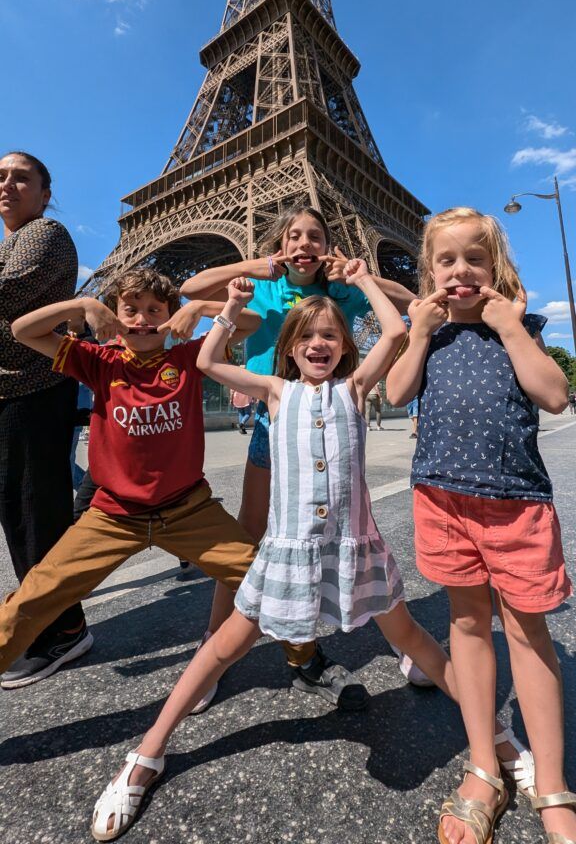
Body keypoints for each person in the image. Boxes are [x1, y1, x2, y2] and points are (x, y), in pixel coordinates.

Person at [91, 265, 535, 842]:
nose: (319, 344)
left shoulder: (356, 387)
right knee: (223, 645)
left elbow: (396, 333)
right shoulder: (276, 392)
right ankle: (146, 753)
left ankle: (495, 738)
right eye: (306, 338)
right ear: (289, 350)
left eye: (330, 335)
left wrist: (366, 279)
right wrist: (227, 307)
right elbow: (205, 363)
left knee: (415, 641)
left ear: (346, 347)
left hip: (355, 551)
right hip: (288, 556)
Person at [180, 204, 423, 703]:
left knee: (358, 531)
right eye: (294, 236)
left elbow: (410, 303)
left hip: (332, 423)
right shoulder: (265, 288)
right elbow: (190, 287)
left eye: (315, 236)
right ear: (280, 243)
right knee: (249, 533)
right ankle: (215, 638)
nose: (304, 244)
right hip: (276, 425)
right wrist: (251, 266)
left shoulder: (338, 291)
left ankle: (405, 638)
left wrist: (359, 274)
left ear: (327, 244)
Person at [386, 206, 575, 844]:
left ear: (496, 268)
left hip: (516, 503)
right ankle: (483, 765)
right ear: (430, 271)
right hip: (443, 502)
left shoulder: (519, 326)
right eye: (447, 260)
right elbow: (395, 394)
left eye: (475, 258)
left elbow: (554, 396)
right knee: (466, 625)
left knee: (528, 636)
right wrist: (415, 332)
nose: (461, 271)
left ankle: (550, 781)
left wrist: (514, 329)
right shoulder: (431, 335)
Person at [0, 269, 264, 692]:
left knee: (268, 580)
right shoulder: (99, 361)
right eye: (132, 310)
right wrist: (83, 306)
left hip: (186, 509)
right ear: (115, 315)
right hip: (113, 515)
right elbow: (21, 330)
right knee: (34, 597)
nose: (143, 320)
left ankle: (299, 657)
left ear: (171, 317)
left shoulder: (190, 358)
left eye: (154, 310)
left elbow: (252, 322)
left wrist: (197, 306)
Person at [0, 150, 90, 689]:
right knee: (20, 507)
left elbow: (7, 293)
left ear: (45, 192)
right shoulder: (12, 244)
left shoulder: (45, 235)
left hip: (35, 390)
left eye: (20, 177)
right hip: (16, 393)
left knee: (36, 509)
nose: (7, 185)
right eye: (0, 178)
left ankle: (63, 626)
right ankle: (48, 614)